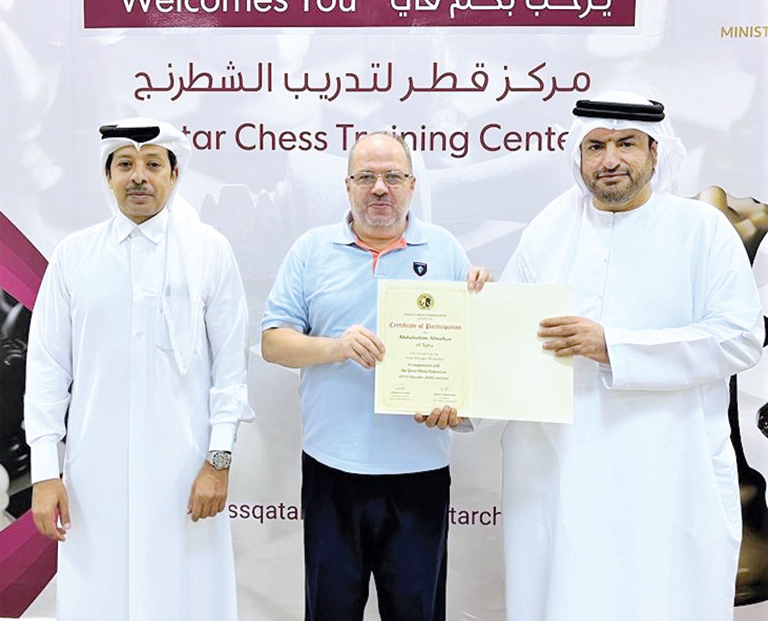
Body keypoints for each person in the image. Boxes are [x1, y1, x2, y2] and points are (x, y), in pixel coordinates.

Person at [500, 92, 764, 621]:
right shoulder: (548, 230)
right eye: (595, 146)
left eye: (626, 144)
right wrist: (458, 404)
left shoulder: (702, 229)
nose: (610, 159)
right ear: (578, 156)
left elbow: (740, 338)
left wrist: (614, 347)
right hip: (561, 471)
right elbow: (505, 339)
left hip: (668, 472)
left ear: (655, 151)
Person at [24, 118, 254, 621]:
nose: (139, 177)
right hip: (94, 477)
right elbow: (46, 371)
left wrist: (217, 463)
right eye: (125, 164)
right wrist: (44, 472)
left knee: (187, 597)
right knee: (98, 597)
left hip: (185, 473)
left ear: (174, 175)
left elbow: (230, 371)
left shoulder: (208, 251)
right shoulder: (74, 256)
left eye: (153, 164)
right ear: (108, 176)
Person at [261, 131, 488, 621]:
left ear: (412, 185)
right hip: (332, 470)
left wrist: (458, 404)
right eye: (366, 177)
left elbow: (471, 354)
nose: (380, 188)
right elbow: (273, 342)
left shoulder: (446, 249)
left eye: (393, 177)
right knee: (330, 612)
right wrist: (335, 347)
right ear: (347, 185)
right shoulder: (310, 250)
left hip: (419, 473)